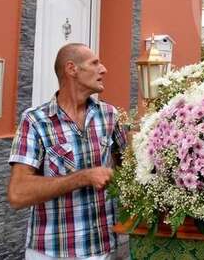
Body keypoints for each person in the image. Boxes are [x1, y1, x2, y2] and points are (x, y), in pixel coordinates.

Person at [8, 43, 126, 260]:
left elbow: (127, 170)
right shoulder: (35, 121)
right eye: (94, 63)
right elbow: (18, 193)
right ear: (72, 69)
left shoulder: (110, 116)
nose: (104, 69)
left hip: (103, 250)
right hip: (52, 251)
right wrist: (83, 177)